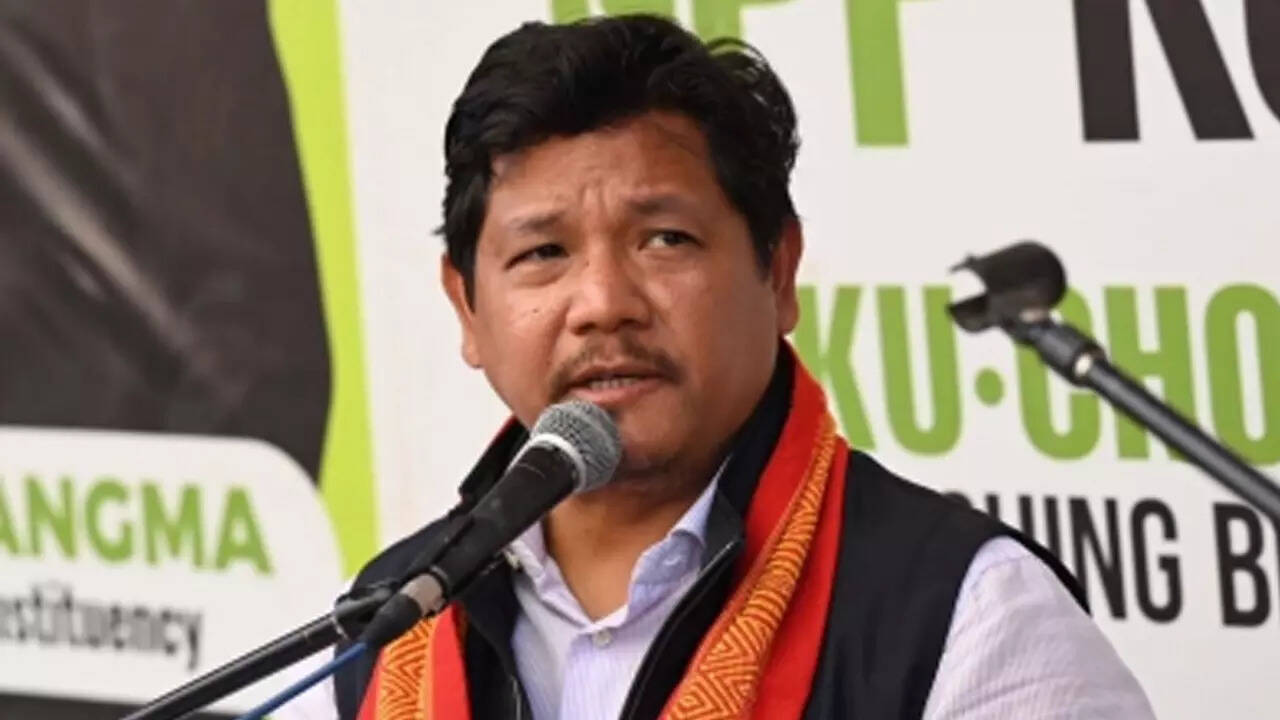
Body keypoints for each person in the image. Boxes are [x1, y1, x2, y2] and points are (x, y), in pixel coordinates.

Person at [292, 13, 1155, 720]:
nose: (604, 302)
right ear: (466, 307)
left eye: (665, 239)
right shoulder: (392, 622)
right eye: (544, 253)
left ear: (777, 272)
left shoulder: (966, 614)